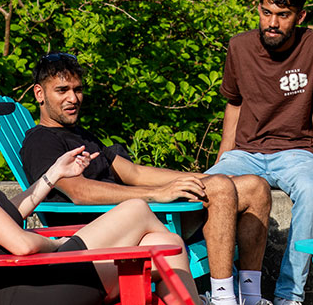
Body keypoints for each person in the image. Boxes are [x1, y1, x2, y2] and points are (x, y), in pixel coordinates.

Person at [20, 54, 273, 305]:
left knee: (254, 187)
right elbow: (79, 192)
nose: (73, 98)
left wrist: (204, 177)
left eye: (77, 90)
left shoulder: (81, 136)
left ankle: (250, 298)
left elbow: (134, 172)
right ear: (39, 94)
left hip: (138, 217)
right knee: (219, 189)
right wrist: (158, 193)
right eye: (62, 90)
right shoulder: (41, 141)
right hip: (107, 233)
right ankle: (223, 299)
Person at [0, 86, 198, 305]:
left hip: (41, 280)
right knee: (135, 208)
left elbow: (8, 217)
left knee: (165, 242)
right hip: (33, 292)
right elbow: (22, 245)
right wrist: (59, 244)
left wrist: (53, 174)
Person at [207, 0, 313, 305]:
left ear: (300, 15)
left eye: (283, 15)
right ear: (257, 9)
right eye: (266, 12)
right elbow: (234, 106)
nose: (272, 23)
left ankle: (288, 295)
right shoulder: (239, 47)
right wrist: (221, 160)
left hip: (297, 153)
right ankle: (220, 292)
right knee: (202, 189)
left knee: (310, 188)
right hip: (244, 152)